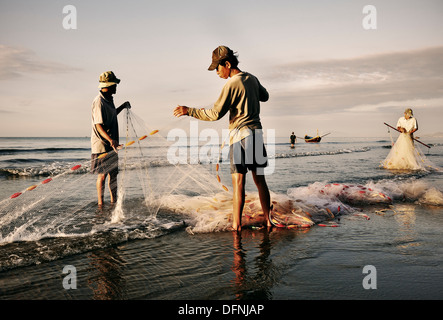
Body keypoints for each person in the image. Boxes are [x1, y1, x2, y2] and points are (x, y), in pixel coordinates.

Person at [173, 45, 271, 231]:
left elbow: (215, 114)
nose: (216, 72)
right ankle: (268, 220)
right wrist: (251, 92)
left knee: (238, 184)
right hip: (256, 134)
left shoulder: (231, 84)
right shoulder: (252, 78)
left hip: (239, 136)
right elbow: (265, 96)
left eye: (217, 68)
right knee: (260, 182)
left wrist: (189, 111)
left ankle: (236, 225)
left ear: (227, 64)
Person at [91, 71, 131, 206]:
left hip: (112, 144)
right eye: (115, 84)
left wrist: (122, 106)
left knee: (113, 174)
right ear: (108, 85)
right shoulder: (99, 101)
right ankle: (101, 204)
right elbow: (98, 125)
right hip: (102, 145)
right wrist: (110, 140)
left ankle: (114, 202)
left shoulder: (109, 99)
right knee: (102, 175)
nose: (116, 87)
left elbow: (113, 115)